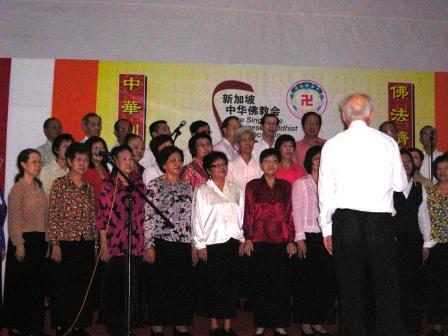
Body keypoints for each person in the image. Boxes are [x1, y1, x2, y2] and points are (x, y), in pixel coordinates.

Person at [318, 93, 407, 336]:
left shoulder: (332, 144)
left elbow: (326, 192)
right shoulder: (387, 143)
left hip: (347, 224)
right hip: (379, 223)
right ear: (371, 115)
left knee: (349, 290)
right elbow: (400, 185)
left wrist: (327, 230)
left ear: (344, 117)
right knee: (386, 288)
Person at [243, 148, 295, 336]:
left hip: (281, 241)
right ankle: (262, 323)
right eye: (267, 161)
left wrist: (291, 239)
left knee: (280, 284)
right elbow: (248, 213)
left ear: (279, 164)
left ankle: (280, 323)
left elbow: (290, 213)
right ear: (261, 165)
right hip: (259, 240)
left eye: (274, 161)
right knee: (261, 284)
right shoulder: (252, 186)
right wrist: (247, 237)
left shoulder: (286, 186)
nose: (271, 164)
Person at [192, 151, 245, 336]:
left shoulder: (236, 189)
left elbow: (241, 216)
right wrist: (200, 245)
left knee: (231, 284)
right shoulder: (202, 191)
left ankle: (228, 325)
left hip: (232, 242)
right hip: (212, 244)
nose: (221, 167)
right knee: (213, 285)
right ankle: (214, 324)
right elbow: (197, 219)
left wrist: (242, 239)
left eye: (224, 164)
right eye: (216, 165)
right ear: (208, 170)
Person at [144, 146, 195, 336]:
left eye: (179, 160)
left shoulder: (186, 186)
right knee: (161, 284)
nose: (177, 164)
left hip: (183, 242)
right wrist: (149, 245)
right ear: (164, 164)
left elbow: (191, 217)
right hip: (162, 241)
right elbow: (148, 217)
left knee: (182, 284)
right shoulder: (155, 185)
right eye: (173, 160)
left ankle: (180, 322)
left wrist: (193, 244)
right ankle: (157, 323)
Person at [96, 145, 146, 336]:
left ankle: (129, 324)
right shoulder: (108, 185)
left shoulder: (139, 184)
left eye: (131, 159)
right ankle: (115, 325)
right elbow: (101, 218)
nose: (128, 162)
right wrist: (103, 245)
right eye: (124, 158)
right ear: (115, 161)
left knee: (132, 284)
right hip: (115, 243)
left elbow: (144, 215)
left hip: (136, 242)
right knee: (117, 285)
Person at [48, 142, 96, 336]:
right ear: (69, 161)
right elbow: (53, 214)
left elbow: (93, 217)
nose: (82, 163)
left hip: (86, 242)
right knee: (64, 287)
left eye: (86, 160)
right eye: (78, 160)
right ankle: (62, 325)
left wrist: (95, 244)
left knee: (82, 286)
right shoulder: (60, 184)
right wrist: (55, 243)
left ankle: (79, 325)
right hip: (66, 242)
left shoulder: (89, 187)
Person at [292, 145, 336, 336]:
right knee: (306, 282)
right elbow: (297, 212)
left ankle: (318, 321)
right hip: (308, 236)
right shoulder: (301, 183)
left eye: (322, 158)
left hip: (327, 237)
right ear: (309, 161)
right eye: (316, 158)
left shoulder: (332, 184)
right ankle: (305, 322)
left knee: (324, 281)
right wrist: (300, 238)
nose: (319, 162)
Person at [3, 149, 47, 336]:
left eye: (39, 162)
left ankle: (34, 326)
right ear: (23, 164)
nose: (37, 165)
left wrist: (48, 240)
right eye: (34, 162)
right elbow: (14, 219)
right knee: (21, 285)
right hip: (23, 241)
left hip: (39, 241)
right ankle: (17, 326)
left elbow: (45, 216)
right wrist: (19, 244)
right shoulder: (17, 189)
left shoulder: (39, 187)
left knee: (37, 285)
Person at [392, 148, 431, 336]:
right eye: (401, 161)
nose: (405, 164)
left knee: (413, 286)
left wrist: (426, 243)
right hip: (393, 244)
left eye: (408, 161)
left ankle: (413, 328)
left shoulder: (419, 188)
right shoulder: (388, 187)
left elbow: (423, 216)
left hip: (414, 243)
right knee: (395, 286)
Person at [424, 154, 448, 336]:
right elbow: (424, 218)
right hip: (436, 244)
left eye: (446, 168)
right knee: (437, 285)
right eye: (439, 169)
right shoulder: (430, 191)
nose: (442, 172)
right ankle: (438, 323)